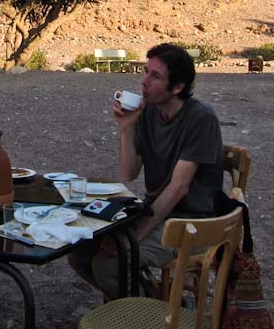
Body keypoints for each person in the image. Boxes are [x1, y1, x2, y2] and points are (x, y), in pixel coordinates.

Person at [67, 43, 223, 300]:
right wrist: (126, 128)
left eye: (155, 76)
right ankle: (156, 303)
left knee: (108, 266)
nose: (144, 82)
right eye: (146, 71)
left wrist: (137, 234)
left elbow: (178, 188)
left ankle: (151, 317)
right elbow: (128, 172)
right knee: (80, 254)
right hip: (155, 212)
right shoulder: (149, 111)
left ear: (177, 87)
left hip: (191, 221)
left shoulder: (200, 118)